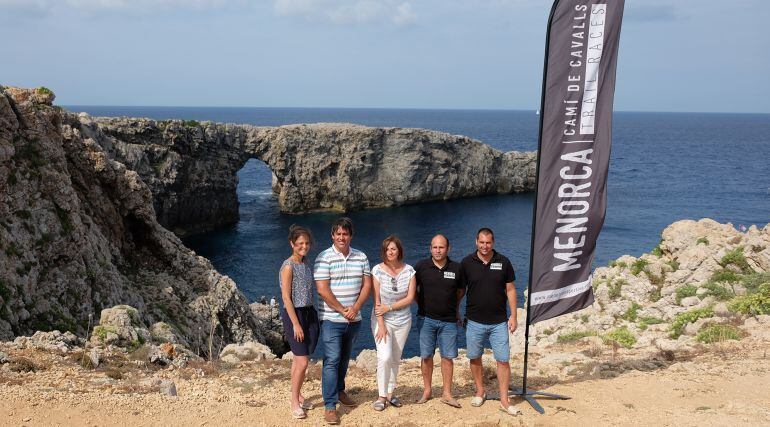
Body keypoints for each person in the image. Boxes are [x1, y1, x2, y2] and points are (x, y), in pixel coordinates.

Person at [314, 217, 372, 425]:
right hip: (331, 319)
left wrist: (355, 308)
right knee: (332, 359)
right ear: (332, 236)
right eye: (338, 234)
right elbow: (322, 289)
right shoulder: (323, 258)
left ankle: (340, 391)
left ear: (350, 236)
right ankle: (330, 406)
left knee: (345, 358)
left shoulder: (361, 256)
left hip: (354, 319)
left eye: (345, 234)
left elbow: (367, 285)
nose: (341, 237)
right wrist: (341, 310)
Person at [460, 227, 519, 416]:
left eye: (488, 242)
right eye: (481, 242)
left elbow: (510, 289)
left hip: (499, 322)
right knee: (474, 357)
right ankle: (480, 391)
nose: (485, 246)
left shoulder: (503, 262)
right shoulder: (467, 263)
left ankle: (504, 399)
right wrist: (454, 311)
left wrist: (514, 315)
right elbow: (461, 290)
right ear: (476, 242)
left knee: (503, 360)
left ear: (493, 243)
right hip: (474, 321)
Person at [414, 234, 463, 408]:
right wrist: (421, 305)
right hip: (426, 319)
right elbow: (413, 290)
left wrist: (455, 309)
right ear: (430, 248)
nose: (438, 250)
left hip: (449, 321)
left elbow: (460, 291)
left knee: (448, 357)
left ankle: (447, 393)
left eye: (441, 247)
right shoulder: (421, 267)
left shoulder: (457, 268)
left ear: (448, 249)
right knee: (426, 356)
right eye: (435, 247)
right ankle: (427, 391)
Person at [370, 235, 417, 411]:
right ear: (384, 251)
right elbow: (376, 300)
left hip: (403, 320)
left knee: (396, 358)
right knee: (385, 357)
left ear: (399, 251)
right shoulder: (377, 270)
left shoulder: (409, 271)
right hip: (382, 321)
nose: (390, 252)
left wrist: (389, 307)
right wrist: (381, 324)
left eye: (393, 249)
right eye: (387, 249)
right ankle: (381, 396)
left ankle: (390, 393)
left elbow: (411, 298)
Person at [279, 225, 320, 419]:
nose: (304, 246)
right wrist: (295, 324)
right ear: (292, 244)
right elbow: (286, 298)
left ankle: (299, 395)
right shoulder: (288, 266)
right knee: (303, 361)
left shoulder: (306, 263)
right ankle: (294, 402)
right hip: (294, 315)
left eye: (306, 243)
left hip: (309, 313)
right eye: (300, 243)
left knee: (299, 360)